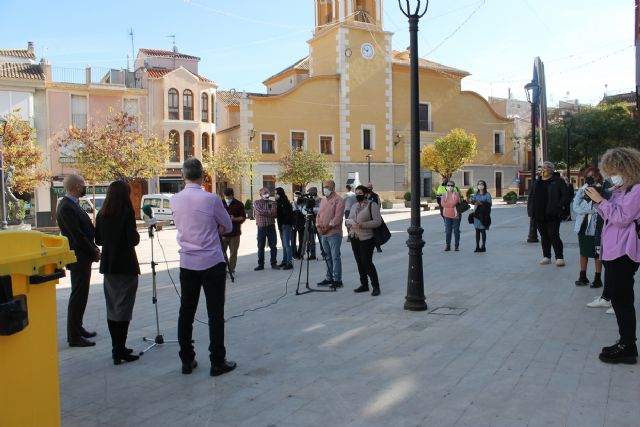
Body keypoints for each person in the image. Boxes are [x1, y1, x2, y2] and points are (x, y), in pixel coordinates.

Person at [170, 158, 236, 376]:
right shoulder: (210, 199)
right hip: (211, 261)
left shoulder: (175, 199)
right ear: (203, 175)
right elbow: (227, 225)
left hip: (187, 261)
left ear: (183, 176)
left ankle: (186, 360)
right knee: (215, 313)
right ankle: (217, 361)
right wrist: (214, 228)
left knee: (186, 312)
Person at [584, 147, 640, 364]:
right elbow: (610, 215)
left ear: (626, 168)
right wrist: (598, 199)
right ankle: (626, 342)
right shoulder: (620, 190)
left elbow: (622, 218)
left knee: (622, 298)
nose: (610, 176)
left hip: (625, 250)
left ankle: (628, 346)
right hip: (614, 249)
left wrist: (600, 200)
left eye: (613, 171)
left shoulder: (636, 190)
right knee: (619, 297)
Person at [95, 180, 140, 365]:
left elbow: (98, 240)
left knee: (113, 307)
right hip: (126, 265)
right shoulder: (127, 213)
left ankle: (117, 348)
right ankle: (120, 349)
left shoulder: (102, 214)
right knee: (124, 308)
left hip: (109, 266)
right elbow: (133, 240)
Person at [56, 174, 100, 347]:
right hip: (79, 257)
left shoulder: (73, 204)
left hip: (83, 256)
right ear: (75, 186)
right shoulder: (66, 206)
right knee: (78, 295)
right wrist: (93, 251)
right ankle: (73, 336)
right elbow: (77, 236)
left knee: (82, 294)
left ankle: (78, 327)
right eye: (82, 185)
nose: (85, 187)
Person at [527, 161, 567, 267]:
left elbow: (565, 195)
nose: (546, 169)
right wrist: (531, 210)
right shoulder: (537, 182)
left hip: (553, 213)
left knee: (553, 234)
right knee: (544, 236)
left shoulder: (558, 181)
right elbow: (531, 196)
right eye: (544, 167)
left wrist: (559, 206)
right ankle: (547, 257)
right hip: (539, 213)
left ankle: (559, 257)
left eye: (548, 167)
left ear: (552, 169)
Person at [347, 185, 383, 296]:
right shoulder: (354, 206)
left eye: (360, 193)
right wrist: (348, 223)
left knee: (366, 262)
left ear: (366, 194)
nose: (358, 195)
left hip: (367, 238)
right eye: (356, 193)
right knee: (359, 262)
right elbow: (350, 217)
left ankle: (376, 286)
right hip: (354, 237)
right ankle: (364, 284)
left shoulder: (372, 205)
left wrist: (363, 225)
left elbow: (378, 222)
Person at [572, 168, 605, 288]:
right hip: (582, 225)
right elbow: (575, 207)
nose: (591, 178)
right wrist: (590, 209)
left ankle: (597, 278)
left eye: (593, 176)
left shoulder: (603, 189)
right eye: (588, 176)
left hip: (596, 226)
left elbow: (600, 208)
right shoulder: (582, 189)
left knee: (597, 253)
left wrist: (587, 209)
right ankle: (582, 276)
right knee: (583, 252)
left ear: (598, 176)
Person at [316, 180, 345, 288]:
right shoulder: (323, 201)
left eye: (327, 187)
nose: (325, 189)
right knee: (327, 257)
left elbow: (337, 218)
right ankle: (329, 278)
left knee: (335, 256)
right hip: (323, 233)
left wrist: (327, 228)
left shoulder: (339, 200)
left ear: (333, 188)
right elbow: (318, 215)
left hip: (334, 233)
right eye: (324, 187)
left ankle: (337, 279)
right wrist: (318, 226)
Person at [221, 188, 246, 274]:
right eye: (225, 197)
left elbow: (243, 217)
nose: (227, 199)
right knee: (221, 253)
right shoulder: (220, 203)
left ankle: (231, 270)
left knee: (233, 253)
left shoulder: (239, 204)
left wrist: (234, 218)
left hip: (235, 233)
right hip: (222, 234)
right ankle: (222, 269)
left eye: (229, 197)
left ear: (232, 195)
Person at [253, 188, 279, 270]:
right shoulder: (256, 202)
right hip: (261, 227)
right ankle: (261, 264)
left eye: (267, 192)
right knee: (260, 246)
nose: (266, 194)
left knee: (273, 246)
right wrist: (269, 212)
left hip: (271, 226)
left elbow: (274, 212)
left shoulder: (273, 202)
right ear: (260, 194)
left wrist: (267, 212)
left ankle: (273, 263)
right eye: (264, 193)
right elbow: (259, 211)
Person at [275, 187, 294, 270]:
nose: (275, 195)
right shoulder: (279, 202)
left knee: (287, 245)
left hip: (286, 225)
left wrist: (284, 223)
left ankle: (289, 262)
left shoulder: (285, 202)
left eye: (276, 193)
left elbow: (288, 214)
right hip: (281, 226)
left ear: (280, 193)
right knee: (284, 245)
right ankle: (284, 261)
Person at [440, 180, 462, 251]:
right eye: (448, 185)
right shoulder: (443, 194)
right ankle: (448, 246)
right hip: (447, 215)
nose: (450, 187)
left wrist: (448, 205)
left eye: (452, 185)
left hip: (456, 215)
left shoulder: (457, 194)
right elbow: (442, 204)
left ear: (454, 187)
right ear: (446, 186)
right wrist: (450, 205)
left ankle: (456, 246)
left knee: (456, 231)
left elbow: (454, 203)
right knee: (448, 231)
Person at [472, 180, 492, 252]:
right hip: (476, 214)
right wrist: (473, 201)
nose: (480, 185)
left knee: (483, 230)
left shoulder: (487, 194)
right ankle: (477, 246)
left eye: (481, 184)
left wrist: (482, 203)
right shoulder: (476, 194)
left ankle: (483, 246)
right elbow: (473, 201)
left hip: (483, 215)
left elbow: (489, 205)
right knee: (477, 230)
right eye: (479, 184)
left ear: (484, 185)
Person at [366, 183, 382, 252]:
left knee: (376, 233)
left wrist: (377, 214)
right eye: (367, 187)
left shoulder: (375, 196)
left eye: (370, 187)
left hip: (374, 217)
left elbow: (379, 205)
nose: (369, 189)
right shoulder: (364, 196)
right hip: (367, 217)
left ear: (372, 188)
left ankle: (378, 246)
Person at [291, 191, 305, 259]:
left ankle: (300, 254)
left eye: (298, 196)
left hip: (301, 224)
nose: (297, 197)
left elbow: (305, 214)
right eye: (295, 196)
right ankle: (294, 254)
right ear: (293, 196)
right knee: (293, 240)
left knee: (301, 240)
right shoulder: (291, 204)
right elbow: (289, 215)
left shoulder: (303, 204)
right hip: (293, 224)